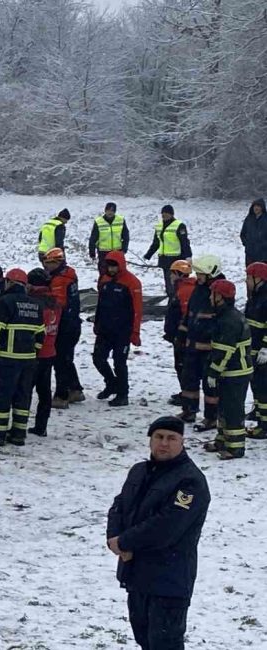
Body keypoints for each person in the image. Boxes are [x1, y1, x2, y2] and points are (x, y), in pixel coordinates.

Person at [106, 416, 210, 650]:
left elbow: (167, 527)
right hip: (136, 575)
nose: (164, 443)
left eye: (171, 438)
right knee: (143, 639)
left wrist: (125, 541)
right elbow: (119, 506)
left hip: (169, 580)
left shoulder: (190, 482)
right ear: (150, 440)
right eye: (159, 437)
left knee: (165, 643)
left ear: (182, 442)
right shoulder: (139, 471)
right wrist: (115, 541)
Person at [0, 268, 44, 446]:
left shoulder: (4, 302)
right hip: (28, 360)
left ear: (8, 282)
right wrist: (33, 353)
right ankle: (19, 434)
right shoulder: (35, 304)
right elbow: (41, 335)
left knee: (1, 397)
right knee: (22, 396)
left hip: (6, 358)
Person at [202, 280, 253, 460]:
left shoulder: (229, 320)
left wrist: (213, 372)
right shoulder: (226, 316)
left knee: (233, 409)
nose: (210, 297)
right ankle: (222, 440)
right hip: (232, 371)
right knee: (223, 407)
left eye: (213, 294)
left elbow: (224, 351)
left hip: (235, 372)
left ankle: (235, 448)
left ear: (220, 298)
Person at [178, 255, 224, 430]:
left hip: (208, 348)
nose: (198, 277)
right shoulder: (199, 289)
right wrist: (181, 334)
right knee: (189, 379)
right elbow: (190, 313)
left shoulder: (219, 292)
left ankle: (211, 417)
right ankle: (189, 410)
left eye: (201, 274)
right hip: (192, 344)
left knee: (209, 384)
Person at [94, 252, 142, 407]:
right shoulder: (104, 280)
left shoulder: (132, 282)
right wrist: (97, 322)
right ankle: (111, 383)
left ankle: (123, 394)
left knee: (119, 362)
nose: (111, 269)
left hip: (123, 330)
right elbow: (100, 303)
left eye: (114, 266)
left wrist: (135, 332)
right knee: (98, 359)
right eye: (109, 266)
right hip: (105, 328)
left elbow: (137, 309)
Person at [43, 248, 84, 408]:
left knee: (60, 360)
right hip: (72, 322)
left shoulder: (60, 280)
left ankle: (61, 395)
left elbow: (59, 302)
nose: (47, 266)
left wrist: (44, 295)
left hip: (65, 324)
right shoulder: (69, 276)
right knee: (66, 359)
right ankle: (75, 389)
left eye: (49, 263)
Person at [28, 268, 61, 437]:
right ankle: (41, 426)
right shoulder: (55, 301)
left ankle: (19, 425)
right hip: (50, 350)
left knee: (25, 391)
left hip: (34, 352)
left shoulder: (33, 302)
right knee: (45, 392)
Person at [163, 260, 196, 406]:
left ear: (178, 274)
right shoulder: (183, 288)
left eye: (172, 273)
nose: (170, 276)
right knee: (182, 366)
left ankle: (187, 395)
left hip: (183, 337)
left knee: (183, 367)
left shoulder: (184, 291)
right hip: (179, 335)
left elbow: (184, 315)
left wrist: (179, 334)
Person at [144, 205, 192, 297]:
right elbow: (156, 242)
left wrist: (188, 256)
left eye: (166, 213)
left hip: (177, 260)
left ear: (171, 214)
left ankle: (178, 299)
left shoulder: (179, 225)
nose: (164, 215)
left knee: (175, 283)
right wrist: (148, 255)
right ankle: (172, 300)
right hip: (164, 260)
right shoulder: (159, 226)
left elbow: (184, 242)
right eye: (163, 213)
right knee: (168, 283)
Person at [244, 262, 267, 441]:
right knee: (257, 388)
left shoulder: (264, 298)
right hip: (254, 348)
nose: (246, 281)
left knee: (263, 390)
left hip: (262, 351)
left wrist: (265, 348)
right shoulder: (256, 297)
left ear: (258, 278)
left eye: (249, 277)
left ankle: (264, 426)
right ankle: (259, 418)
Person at [89, 202, 130, 274]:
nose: (110, 212)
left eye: (112, 210)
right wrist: (92, 253)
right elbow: (93, 238)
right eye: (108, 210)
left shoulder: (120, 220)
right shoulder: (99, 221)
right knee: (104, 272)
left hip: (117, 251)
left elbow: (126, 236)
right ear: (105, 210)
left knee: (118, 272)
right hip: (103, 252)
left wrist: (124, 249)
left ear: (115, 211)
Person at [239, 198, 267, 266]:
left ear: (262, 207)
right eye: (255, 206)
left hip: (263, 255)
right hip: (250, 254)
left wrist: (264, 245)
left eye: (258, 206)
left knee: (262, 275)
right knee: (250, 274)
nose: (256, 208)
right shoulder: (249, 219)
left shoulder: (266, 219)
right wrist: (247, 244)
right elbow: (243, 234)